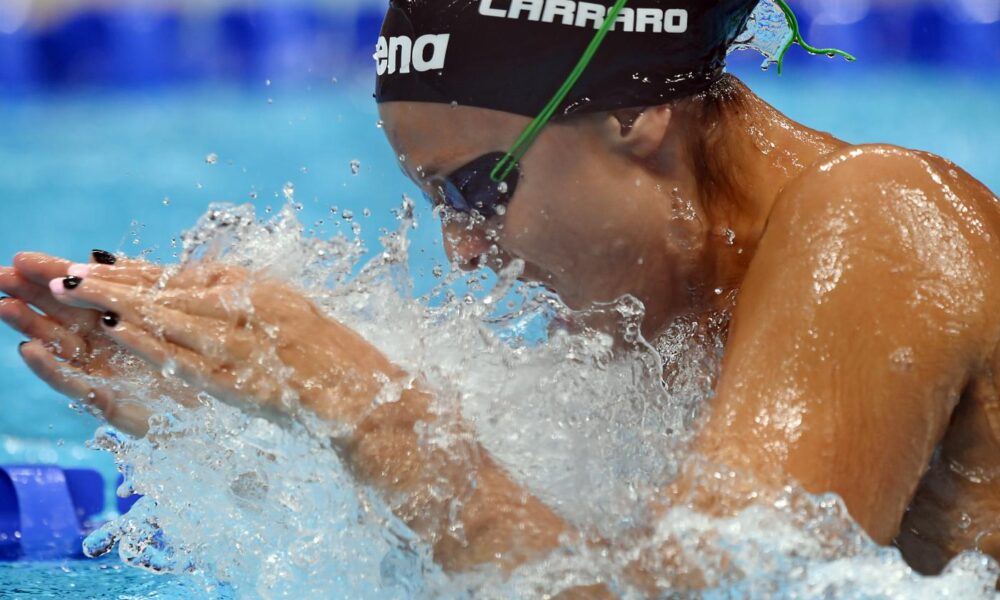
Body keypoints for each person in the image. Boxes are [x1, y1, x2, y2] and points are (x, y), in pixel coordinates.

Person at [2, 0, 999, 593]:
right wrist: (248, 444)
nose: (466, 251)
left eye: (478, 189)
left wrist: (367, 408)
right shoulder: (671, 315)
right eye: (438, 205)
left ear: (635, 116)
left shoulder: (879, 218)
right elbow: (565, 564)